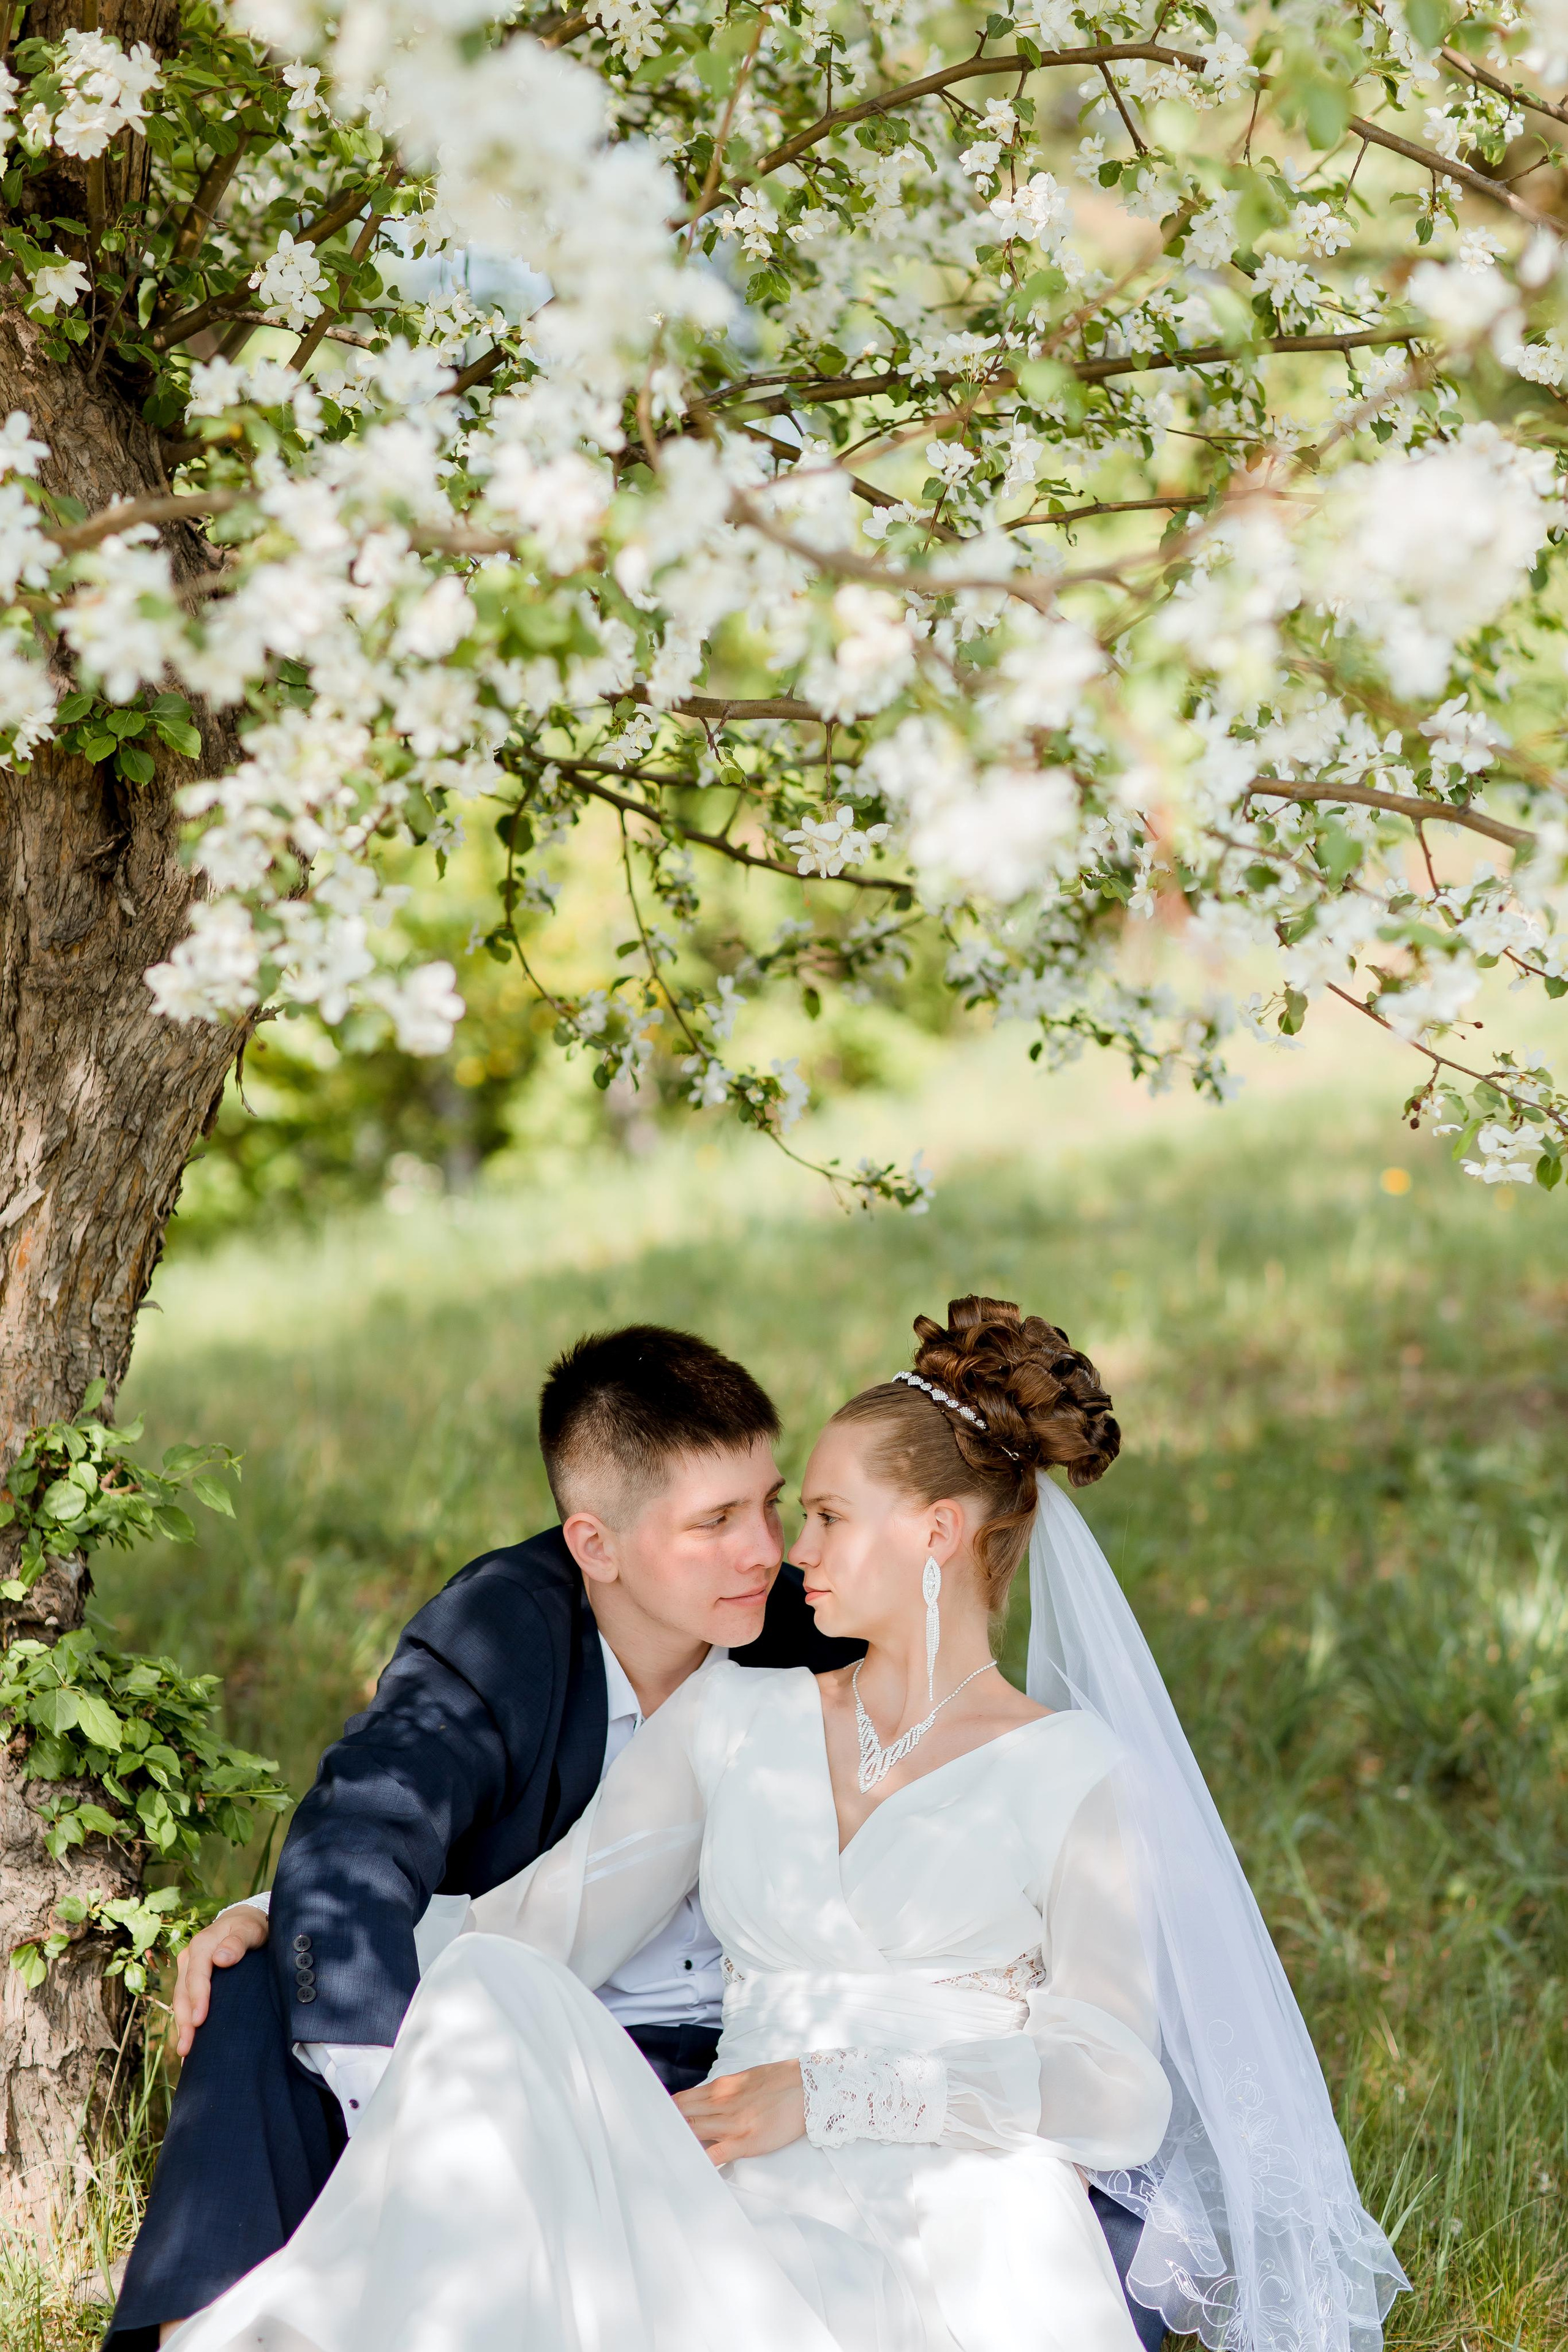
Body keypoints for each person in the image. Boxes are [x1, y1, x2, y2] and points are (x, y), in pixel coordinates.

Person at [151, 1297, 1408, 2352]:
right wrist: (284, 1914)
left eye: (816, 1515)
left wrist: (832, 2094)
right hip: (728, 2165)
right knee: (488, 1986)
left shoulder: (1077, 1775)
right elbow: (533, 1931)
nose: (782, 1552)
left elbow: (1113, 2090)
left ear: (933, 1536)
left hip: (951, 2194)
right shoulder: (733, 1716)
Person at [107, 1324, 862, 2351]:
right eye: (714, 1521)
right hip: (535, 2035)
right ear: (595, 1543)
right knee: (257, 1985)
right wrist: (406, 2125)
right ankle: (198, 2331)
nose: (764, 1550)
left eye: (767, 1505)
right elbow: (358, 1836)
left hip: (735, 2055)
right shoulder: (498, 1633)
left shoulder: (806, 1620)